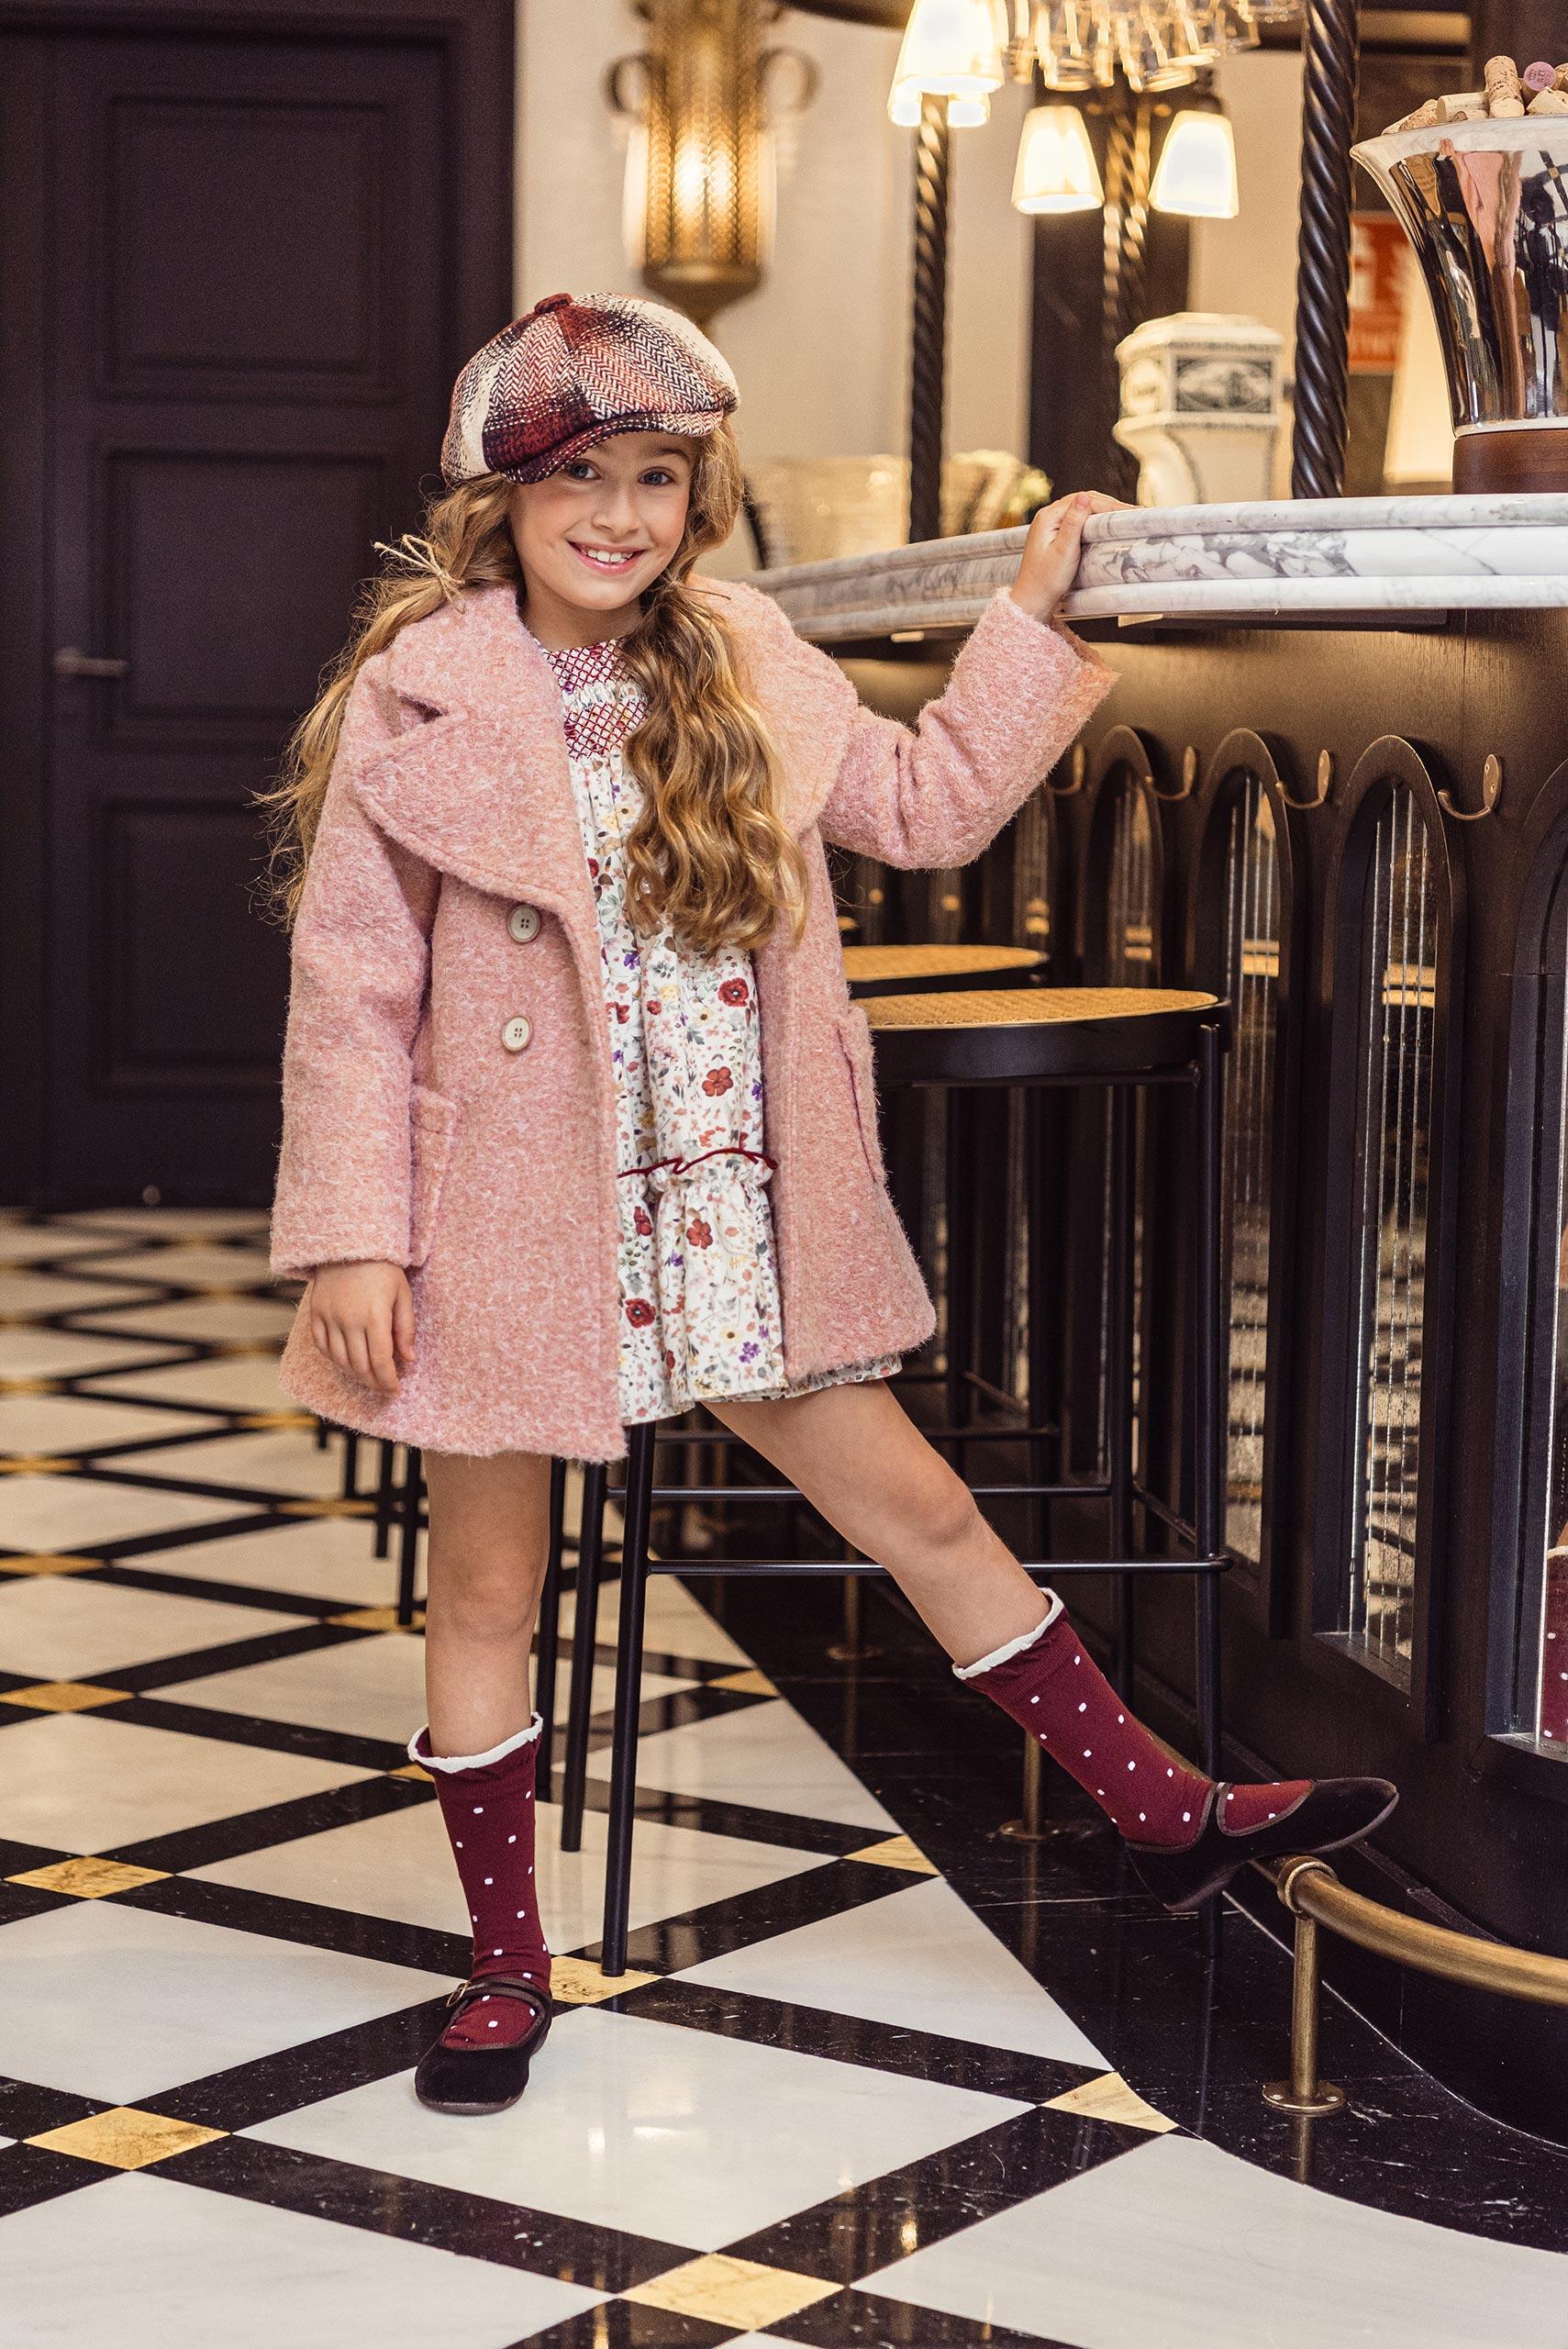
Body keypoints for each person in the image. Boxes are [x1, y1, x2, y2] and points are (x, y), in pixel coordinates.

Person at [258, 290, 1396, 2120]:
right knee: (485, 1585)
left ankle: (1165, 1811)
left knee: (921, 1504)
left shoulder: (748, 657)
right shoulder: (420, 694)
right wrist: (355, 1240)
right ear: (500, 499)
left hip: (728, 1205)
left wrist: (1029, 621)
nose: (618, 515)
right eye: (578, 479)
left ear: (699, 497)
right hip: (503, 1215)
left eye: (656, 476)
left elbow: (930, 808)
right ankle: (504, 1962)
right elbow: (349, 996)